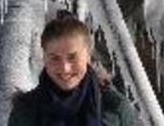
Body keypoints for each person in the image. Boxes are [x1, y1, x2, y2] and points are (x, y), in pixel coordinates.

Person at [8, 10, 139, 125]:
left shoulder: (115, 108)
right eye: (55, 58)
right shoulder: (26, 110)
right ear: (44, 58)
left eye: (72, 57)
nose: (65, 68)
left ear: (88, 56)